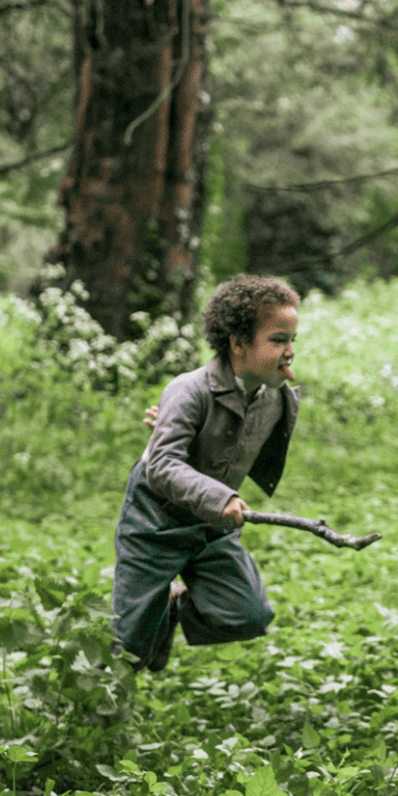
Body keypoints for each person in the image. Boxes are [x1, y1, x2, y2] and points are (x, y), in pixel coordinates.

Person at [110, 275, 300, 672]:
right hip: (156, 517)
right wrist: (180, 428)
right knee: (128, 647)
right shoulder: (189, 389)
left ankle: (172, 603)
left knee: (249, 614)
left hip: (210, 523)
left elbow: (235, 436)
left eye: (292, 339)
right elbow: (162, 464)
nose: (290, 352)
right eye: (278, 340)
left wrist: (200, 437)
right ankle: (99, 713)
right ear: (237, 342)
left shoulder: (279, 397)